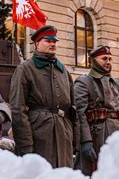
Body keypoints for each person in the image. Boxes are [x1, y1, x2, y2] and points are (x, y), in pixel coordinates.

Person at [9, 25, 78, 168]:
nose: (52, 44)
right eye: (48, 41)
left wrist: (75, 138)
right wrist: (25, 144)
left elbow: (73, 108)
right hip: (39, 134)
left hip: (63, 134)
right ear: (37, 44)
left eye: (54, 42)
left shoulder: (63, 70)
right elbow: (17, 108)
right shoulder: (25, 69)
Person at [74, 45, 119, 175]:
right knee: (94, 174)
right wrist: (86, 141)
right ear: (94, 60)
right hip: (96, 136)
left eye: (110, 59)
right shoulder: (83, 82)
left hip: (118, 134)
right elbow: (80, 114)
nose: (108, 62)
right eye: (104, 58)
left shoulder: (116, 82)